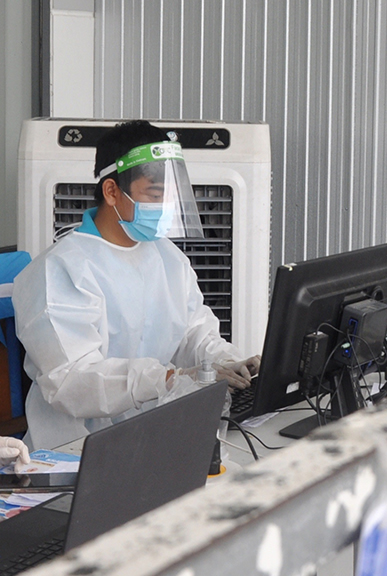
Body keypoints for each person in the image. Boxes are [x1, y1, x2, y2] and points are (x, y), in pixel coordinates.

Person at [12, 120, 261, 450]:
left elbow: (193, 331)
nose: (166, 207)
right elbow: (70, 383)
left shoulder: (166, 256)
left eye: (171, 195)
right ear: (112, 191)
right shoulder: (60, 270)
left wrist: (229, 362)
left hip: (156, 434)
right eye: (156, 194)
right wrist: (169, 379)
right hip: (77, 450)